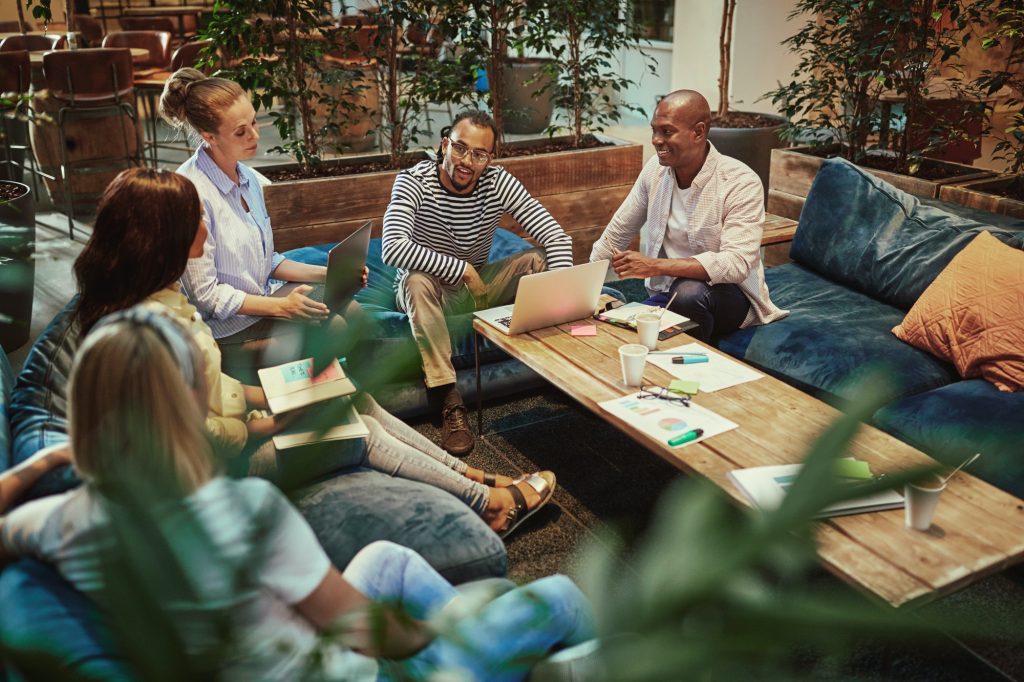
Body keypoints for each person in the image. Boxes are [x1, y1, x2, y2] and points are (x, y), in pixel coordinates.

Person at [0, 312, 595, 680]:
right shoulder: (245, 515)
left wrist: (55, 459)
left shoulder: (63, 520)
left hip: (268, 649)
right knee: (565, 595)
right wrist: (439, 636)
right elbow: (373, 636)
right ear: (186, 406)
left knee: (389, 561)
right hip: (367, 671)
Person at [69, 167, 555, 538]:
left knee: (350, 395)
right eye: (196, 217)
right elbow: (207, 438)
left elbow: (214, 390)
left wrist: (275, 393)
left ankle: (471, 476)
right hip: (209, 470)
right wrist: (281, 419)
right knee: (351, 428)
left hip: (229, 425)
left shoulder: (161, 295)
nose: (206, 225)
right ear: (163, 238)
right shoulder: (150, 331)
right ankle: (488, 505)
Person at [382, 110, 574, 456]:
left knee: (539, 261)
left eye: (479, 154)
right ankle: (449, 399)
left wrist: (569, 310)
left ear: (490, 158)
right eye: (460, 148)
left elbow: (557, 238)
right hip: (430, 291)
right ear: (444, 145)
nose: (467, 161)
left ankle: (558, 360)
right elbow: (393, 247)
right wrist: (463, 270)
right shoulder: (413, 181)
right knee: (415, 281)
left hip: (479, 286)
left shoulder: (498, 182)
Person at [159, 67, 355, 371]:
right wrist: (281, 307)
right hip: (227, 327)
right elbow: (207, 296)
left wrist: (329, 273)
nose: (254, 136)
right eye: (240, 131)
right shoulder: (190, 192)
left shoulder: (248, 178)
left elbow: (267, 262)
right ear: (207, 136)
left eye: (253, 123)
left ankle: (350, 393)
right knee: (336, 327)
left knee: (351, 307)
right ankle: (325, 399)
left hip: (263, 304)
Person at [590, 90, 787, 341]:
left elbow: (735, 265)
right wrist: (583, 287)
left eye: (667, 132)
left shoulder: (740, 181)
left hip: (729, 296)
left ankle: (691, 358)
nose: (656, 140)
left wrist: (654, 266)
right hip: (668, 290)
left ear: (698, 132)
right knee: (612, 319)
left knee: (687, 294)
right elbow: (616, 234)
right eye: (654, 130)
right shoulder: (655, 171)